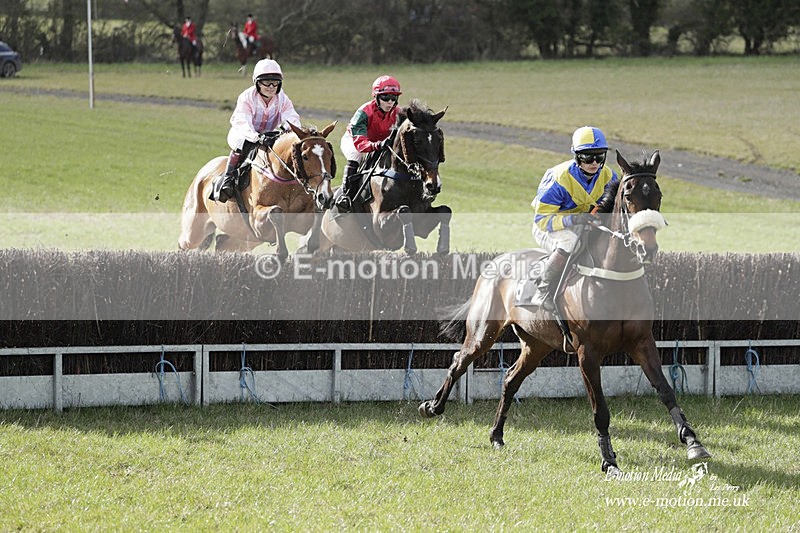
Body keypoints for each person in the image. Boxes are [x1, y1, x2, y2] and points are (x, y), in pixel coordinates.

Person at [530, 126, 619, 311]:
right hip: (550, 227)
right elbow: (542, 220)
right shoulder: (558, 179)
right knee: (571, 242)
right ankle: (543, 288)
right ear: (577, 156)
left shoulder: (609, 176)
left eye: (599, 157)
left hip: (585, 225)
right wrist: (575, 220)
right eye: (588, 157)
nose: (594, 163)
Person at [211, 58, 301, 203]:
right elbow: (243, 122)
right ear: (257, 82)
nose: (271, 86)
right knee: (241, 144)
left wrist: (286, 130)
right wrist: (256, 137)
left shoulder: (282, 98)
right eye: (267, 82)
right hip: (243, 133)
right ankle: (228, 179)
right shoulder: (247, 97)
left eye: (275, 82)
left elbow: (292, 118)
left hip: (270, 135)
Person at [336, 75, 402, 211]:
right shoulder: (364, 113)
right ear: (376, 97)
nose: (390, 102)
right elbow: (360, 144)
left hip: (382, 143)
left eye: (393, 98)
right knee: (356, 156)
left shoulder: (398, 113)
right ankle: (345, 196)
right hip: (354, 140)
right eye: (385, 98)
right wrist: (377, 145)